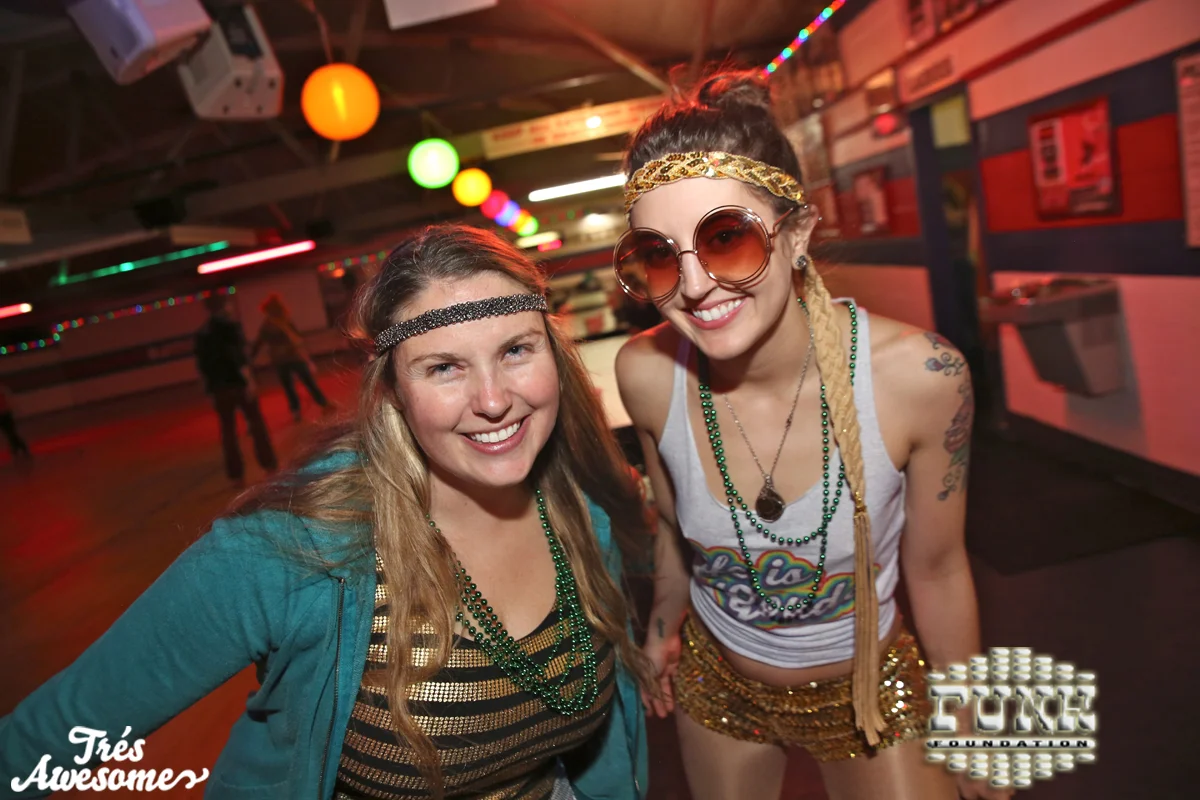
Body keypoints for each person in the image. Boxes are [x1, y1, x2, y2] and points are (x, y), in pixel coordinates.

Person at [0, 225, 655, 800]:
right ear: (393, 392)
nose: (493, 399)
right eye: (443, 367)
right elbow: (54, 732)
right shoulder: (299, 548)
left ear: (554, 355)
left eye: (515, 350)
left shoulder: (579, 509)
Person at [612, 71, 1007, 800]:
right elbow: (671, 524)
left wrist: (970, 720)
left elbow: (939, 568)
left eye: (726, 239)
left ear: (796, 234)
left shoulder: (920, 377)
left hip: (867, 689)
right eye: (662, 255)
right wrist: (663, 622)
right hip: (718, 686)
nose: (694, 287)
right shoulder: (645, 374)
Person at [194, 292, 278, 486]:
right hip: (238, 384)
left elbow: (203, 366)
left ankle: (236, 475)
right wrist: (249, 381)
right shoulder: (231, 327)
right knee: (256, 424)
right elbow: (239, 358)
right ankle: (269, 465)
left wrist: (209, 390)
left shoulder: (202, 334)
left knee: (228, 431)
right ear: (224, 306)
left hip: (219, 389)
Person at [251, 293, 335, 422]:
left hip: (285, 358)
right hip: (290, 357)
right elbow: (293, 338)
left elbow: (260, 343)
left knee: (293, 385)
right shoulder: (276, 323)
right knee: (303, 382)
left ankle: (300, 410)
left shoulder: (276, 323)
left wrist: (250, 357)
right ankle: (317, 405)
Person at [0, 381, 32, 461]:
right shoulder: (3, 389)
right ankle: (16, 449)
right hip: (3, 414)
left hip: (5, 414)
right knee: (9, 434)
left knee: (11, 433)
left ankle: (20, 448)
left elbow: (5, 402)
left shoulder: (2, 389)